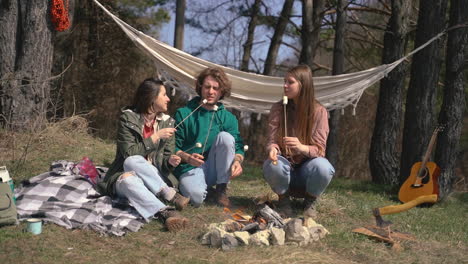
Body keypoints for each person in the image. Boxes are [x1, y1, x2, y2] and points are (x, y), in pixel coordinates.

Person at [97, 78, 190, 232]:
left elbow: (166, 157)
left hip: (155, 177)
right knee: (130, 169)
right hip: (128, 172)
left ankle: (165, 196)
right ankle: (166, 211)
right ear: (152, 98)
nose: (168, 98)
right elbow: (128, 153)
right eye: (164, 95)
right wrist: (155, 137)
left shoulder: (168, 122)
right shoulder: (127, 118)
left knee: (133, 162)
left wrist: (170, 161)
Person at [263, 65, 335, 218]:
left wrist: (301, 147)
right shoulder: (278, 108)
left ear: (303, 85)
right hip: (284, 170)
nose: (285, 85)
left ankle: (310, 201)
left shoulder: (319, 111)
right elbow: (271, 140)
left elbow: (320, 150)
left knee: (324, 167)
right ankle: (283, 201)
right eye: (284, 81)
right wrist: (273, 148)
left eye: (290, 82)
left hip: (306, 173)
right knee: (272, 165)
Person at [174, 67, 245, 208]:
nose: (211, 91)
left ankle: (221, 190)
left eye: (215, 88)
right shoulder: (184, 113)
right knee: (196, 199)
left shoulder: (228, 118)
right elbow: (172, 147)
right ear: (200, 87)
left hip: (214, 169)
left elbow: (238, 147)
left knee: (226, 137)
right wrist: (187, 157)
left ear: (221, 91)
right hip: (189, 167)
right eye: (207, 87)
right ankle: (204, 192)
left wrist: (237, 161)